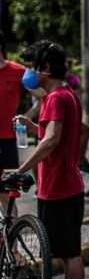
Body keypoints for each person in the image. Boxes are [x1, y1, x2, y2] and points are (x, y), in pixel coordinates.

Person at [11, 42, 86, 279]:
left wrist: (19, 170)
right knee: (68, 251)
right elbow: (54, 134)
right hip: (62, 184)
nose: (29, 71)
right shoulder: (67, 95)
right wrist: (32, 126)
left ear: (44, 70)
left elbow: (52, 140)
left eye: (32, 66)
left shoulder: (56, 97)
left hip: (60, 187)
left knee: (70, 253)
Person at [0, 33, 26, 174]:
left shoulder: (19, 71)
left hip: (7, 137)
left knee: (9, 187)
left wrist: (25, 119)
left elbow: (43, 97)